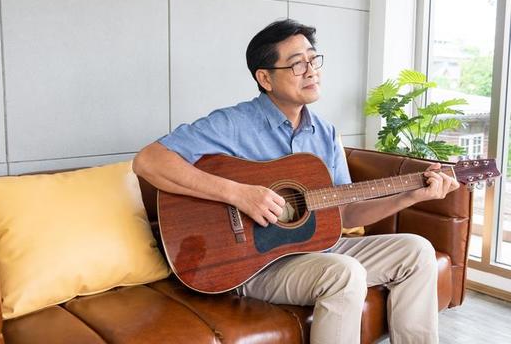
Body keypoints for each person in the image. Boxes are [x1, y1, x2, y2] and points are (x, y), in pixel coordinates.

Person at [133, 19, 459, 344]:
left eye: (313, 59)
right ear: (265, 78)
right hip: (250, 265)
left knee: (417, 250)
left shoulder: (326, 133)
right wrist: (239, 194)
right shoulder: (233, 123)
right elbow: (148, 161)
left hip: (318, 253)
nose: (311, 70)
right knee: (344, 272)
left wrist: (410, 196)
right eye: (296, 64)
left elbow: (344, 214)